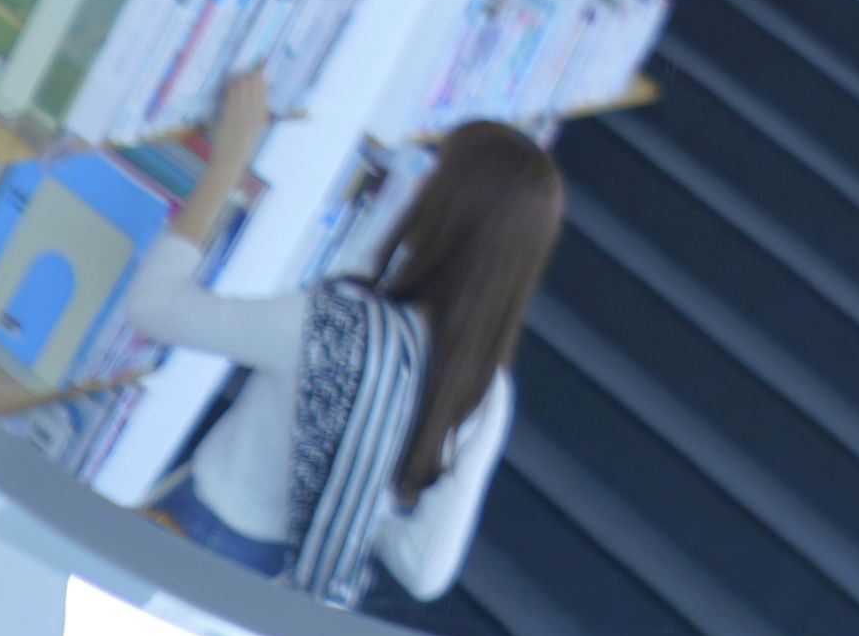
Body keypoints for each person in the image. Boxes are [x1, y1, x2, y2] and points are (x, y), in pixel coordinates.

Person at [123, 70, 564, 607]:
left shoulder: (333, 325)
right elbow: (425, 571)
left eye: (433, 174)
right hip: (289, 602)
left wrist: (226, 166)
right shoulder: (485, 390)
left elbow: (153, 307)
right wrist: (356, 481)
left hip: (196, 539)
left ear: (444, 211)